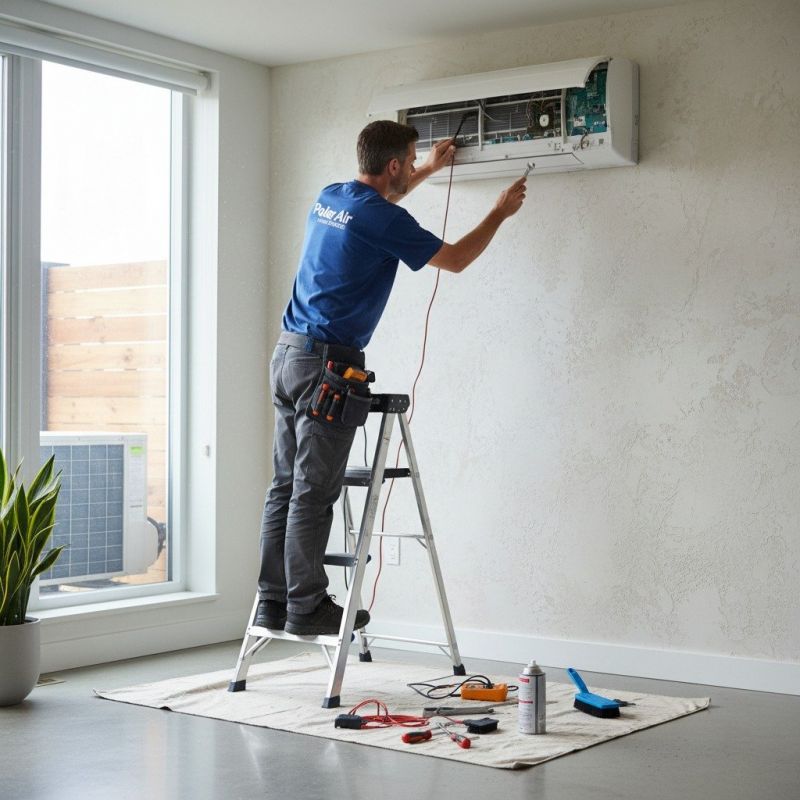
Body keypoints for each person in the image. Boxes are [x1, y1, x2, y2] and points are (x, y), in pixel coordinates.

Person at [256, 120, 526, 635]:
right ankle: (307, 606)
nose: (414, 163)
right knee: (313, 493)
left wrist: (427, 170)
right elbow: (457, 259)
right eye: (411, 157)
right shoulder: (380, 218)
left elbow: (376, 213)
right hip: (327, 368)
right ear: (394, 164)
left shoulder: (331, 196)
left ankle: (274, 600)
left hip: (288, 355)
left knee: (284, 488)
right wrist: (498, 213)